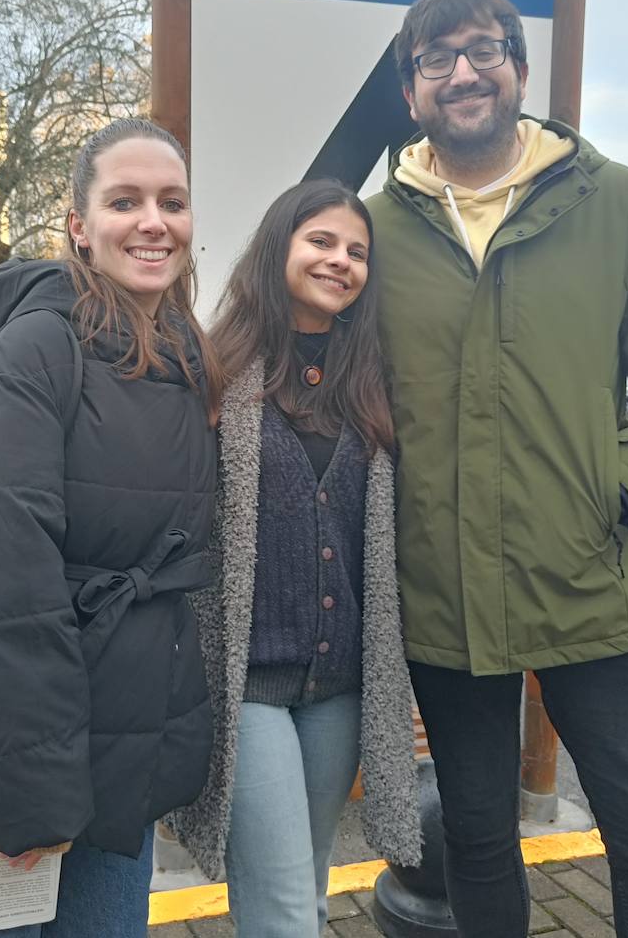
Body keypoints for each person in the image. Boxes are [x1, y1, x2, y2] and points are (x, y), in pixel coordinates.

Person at [365, 0, 628, 935]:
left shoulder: (617, 203)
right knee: (478, 846)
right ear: (411, 93)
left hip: (596, 592)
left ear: (519, 71)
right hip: (445, 605)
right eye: (435, 59)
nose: (462, 73)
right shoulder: (374, 228)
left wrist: (615, 489)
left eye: (483, 50)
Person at [0, 118, 223, 937]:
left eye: (172, 201)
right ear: (79, 227)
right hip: (9, 770)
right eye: (125, 201)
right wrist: (28, 790)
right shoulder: (41, 347)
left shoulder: (180, 355)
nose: (154, 221)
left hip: (119, 758)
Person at [169, 180, 421, 935]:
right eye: (321, 241)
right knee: (284, 913)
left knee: (304, 894)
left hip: (341, 687)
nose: (339, 260)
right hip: (249, 686)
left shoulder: (370, 386)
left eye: (356, 251)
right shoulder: (215, 374)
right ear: (279, 246)